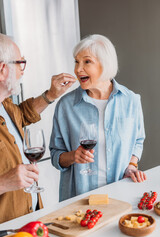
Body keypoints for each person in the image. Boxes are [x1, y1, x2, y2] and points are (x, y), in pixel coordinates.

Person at [50, 34, 147, 202]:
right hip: (79, 199)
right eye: (76, 61)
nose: (78, 69)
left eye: (87, 62)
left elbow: (138, 141)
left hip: (120, 195)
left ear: (105, 64)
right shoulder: (66, 105)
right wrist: (73, 156)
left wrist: (131, 166)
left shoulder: (131, 100)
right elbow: (55, 154)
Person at [0, 33, 76, 223]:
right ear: (2, 69)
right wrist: (2, 183)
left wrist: (51, 94)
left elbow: (23, 114)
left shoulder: (6, 106)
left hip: (29, 220)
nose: (23, 71)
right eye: (20, 63)